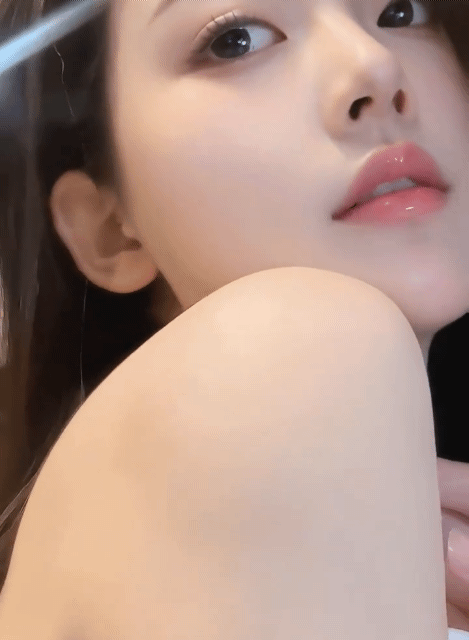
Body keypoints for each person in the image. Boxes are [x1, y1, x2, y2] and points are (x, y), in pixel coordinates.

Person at [0, 0, 468, 637]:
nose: (375, 65)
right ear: (108, 228)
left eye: (399, 10)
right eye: (236, 40)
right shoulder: (295, 344)